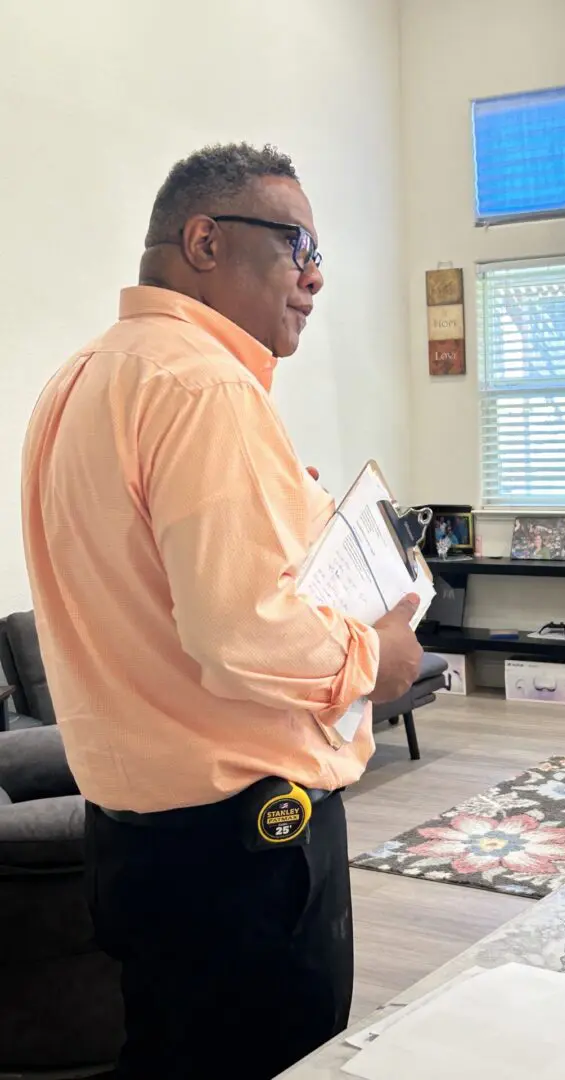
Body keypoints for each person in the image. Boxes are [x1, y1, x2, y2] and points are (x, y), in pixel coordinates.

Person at [21, 143, 423, 1080]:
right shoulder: (204, 386)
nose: (314, 277)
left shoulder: (78, 381)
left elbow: (165, 599)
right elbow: (239, 628)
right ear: (204, 240)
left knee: (166, 1053)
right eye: (297, 244)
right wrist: (377, 658)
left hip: (131, 837)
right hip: (246, 846)